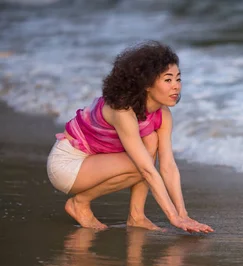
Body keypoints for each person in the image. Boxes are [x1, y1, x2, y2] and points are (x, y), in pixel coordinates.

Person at [46, 41, 213, 233]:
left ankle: (137, 216)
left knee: (150, 143)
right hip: (67, 165)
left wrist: (183, 214)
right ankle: (80, 203)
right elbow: (147, 169)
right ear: (147, 84)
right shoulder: (122, 111)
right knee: (143, 162)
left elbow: (168, 166)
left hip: (96, 160)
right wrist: (173, 218)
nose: (176, 87)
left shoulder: (163, 114)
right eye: (168, 80)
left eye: (178, 79)